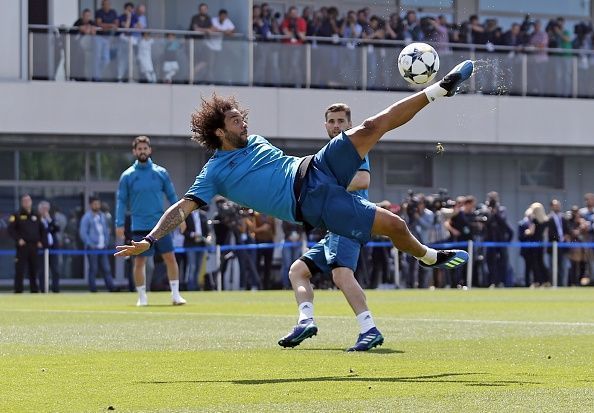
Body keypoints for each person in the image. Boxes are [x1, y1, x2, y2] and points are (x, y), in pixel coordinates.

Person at [115, 61, 475, 308]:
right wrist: (148, 239)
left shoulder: (254, 141)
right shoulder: (213, 173)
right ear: (219, 132)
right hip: (311, 204)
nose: (244, 124)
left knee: (368, 128)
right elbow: (182, 208)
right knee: (396, 225)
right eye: (236, 121)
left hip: (314, 167)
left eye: (242, 118)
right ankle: (429, 258)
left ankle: (439, 90)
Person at [277, 103, 383, 352]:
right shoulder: (330, 153)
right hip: (335, 225)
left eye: (340, 121)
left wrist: (323, 189)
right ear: (325, 125)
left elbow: (363, 179)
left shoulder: (353, 147)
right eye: (332, 121)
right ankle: (305, 321)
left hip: (350, 218)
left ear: (349, 124)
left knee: (341, 275)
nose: (336, 126)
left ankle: (369, 329)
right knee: (298, 270)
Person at [115, 136, 186, 306]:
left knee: (170, 258)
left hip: (160, 226)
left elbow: (172, 197)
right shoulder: (127, 176)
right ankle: (142, 297)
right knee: (139, 262)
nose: (142, 151)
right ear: (134, 152)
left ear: (150, 150)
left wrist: (181, 218)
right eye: (139, 149)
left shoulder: (161, 173)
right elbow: (121, 201)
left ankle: (176, 295)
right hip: (139, 225)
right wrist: (119, 224)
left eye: (145, 148)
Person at [79, 197, 118, 292]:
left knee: (106, 268)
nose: (97, 206)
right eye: (95, 204)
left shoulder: (102, 216)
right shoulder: (87, 217)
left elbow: (105, 230)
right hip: (93, 248)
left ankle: (111, 287)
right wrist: (90, 243)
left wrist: (106, 241)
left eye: (98, 204)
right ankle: (93, 289)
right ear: (91, 205)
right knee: (93, 269)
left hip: (103, 247)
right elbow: (83, 233)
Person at [8, 194, 44, 293]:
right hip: (22, 246)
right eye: (25, 201)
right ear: (21, 202)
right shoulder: (17, 215)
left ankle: (34, 290)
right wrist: (18, 239)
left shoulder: (36, 215)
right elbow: (11, 230)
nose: (27, 203)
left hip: (34, 246)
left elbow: (42, 230)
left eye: (28, 201)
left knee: (34, 269)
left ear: (31, 202)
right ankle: (18, 290)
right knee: (20, 269)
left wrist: (41, 240)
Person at [37, 200, 60, 293]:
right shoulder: (36, 220)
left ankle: (55, 289)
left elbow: (57, 229)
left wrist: (49, 219)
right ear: (40, 209)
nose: (45, 211)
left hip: (53, 248)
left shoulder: (51, 219)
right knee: (42, 270)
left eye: (47, 209)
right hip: (42, 248)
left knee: (55, 269)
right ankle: (43, 289)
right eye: (43, 209)